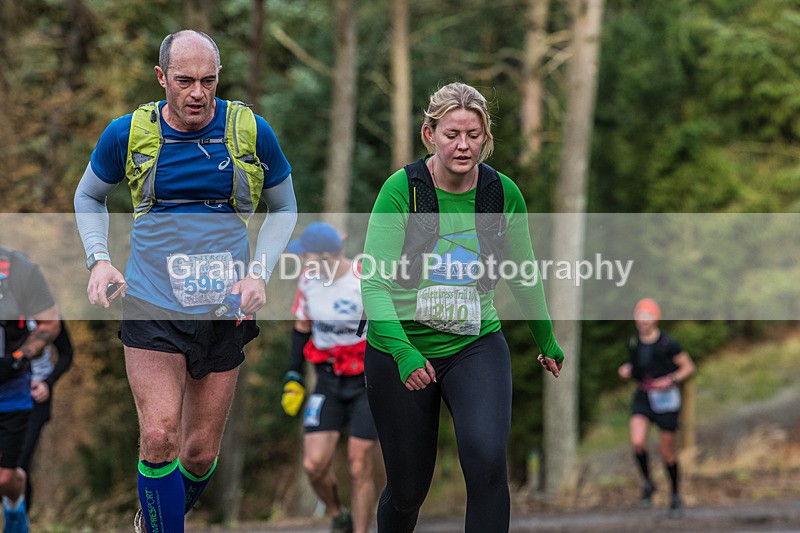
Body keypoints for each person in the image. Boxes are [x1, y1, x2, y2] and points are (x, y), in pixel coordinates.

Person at [73, 29, 297, 533]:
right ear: (162, 78)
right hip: (151, 302)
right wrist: (99, 260)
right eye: (185, 81)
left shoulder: (250, 130)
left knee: (196, 455)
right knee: (158, 437)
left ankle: (152, 519)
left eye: (208, 81)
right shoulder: (127, 133)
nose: (198, 93)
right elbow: (88, 196)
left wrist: (260, 273)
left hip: (224, 309)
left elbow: (285, 207)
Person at [360, 82, 564, 533]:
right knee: (409, 488)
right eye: (452, 133)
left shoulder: (501, 193)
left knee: (489, 464)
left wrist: (547, 339)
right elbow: (373, 282)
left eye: (474, 134)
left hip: (474, 344)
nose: (463, 145)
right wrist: (403, 352)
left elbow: (524, 272)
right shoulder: (402, 190)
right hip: (402, 346)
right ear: (429, 134)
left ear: (486, 137)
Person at [281, 222, 377, 533]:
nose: (301, 260)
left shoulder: (363, 278)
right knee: (314, 464)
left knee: (359, 463)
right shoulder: (308, 281)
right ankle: (338, 514)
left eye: (305, 254)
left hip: (366, 380)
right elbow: (302, 330)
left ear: (324, 255)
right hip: (327, 380)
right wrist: (293, 375)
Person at [0, 246, 61, 533]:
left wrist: (19, 358)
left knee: (5, 479)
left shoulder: (21, 271)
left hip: (12, 389)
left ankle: (15, 507)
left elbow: (51, 326)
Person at [617, 298, 695, 518]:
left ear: (656, 318)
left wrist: (670, 379)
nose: (643, 320)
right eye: (640, 315)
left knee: (667, 452)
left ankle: (675, 496)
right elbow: (638, 368)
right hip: (643, 396)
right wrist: (628, 370)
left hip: (665, 399)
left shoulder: (668, 344)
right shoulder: (633, 343)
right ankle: (648, 483)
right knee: (637, 442)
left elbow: (688, 367)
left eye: (647, 315)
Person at [18, 319, 73, 513]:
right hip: (7, 395)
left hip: (35, 400)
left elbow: (66, 353)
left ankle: (19, 523)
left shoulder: (45, 313)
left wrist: (47, 382)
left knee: (19, 464)